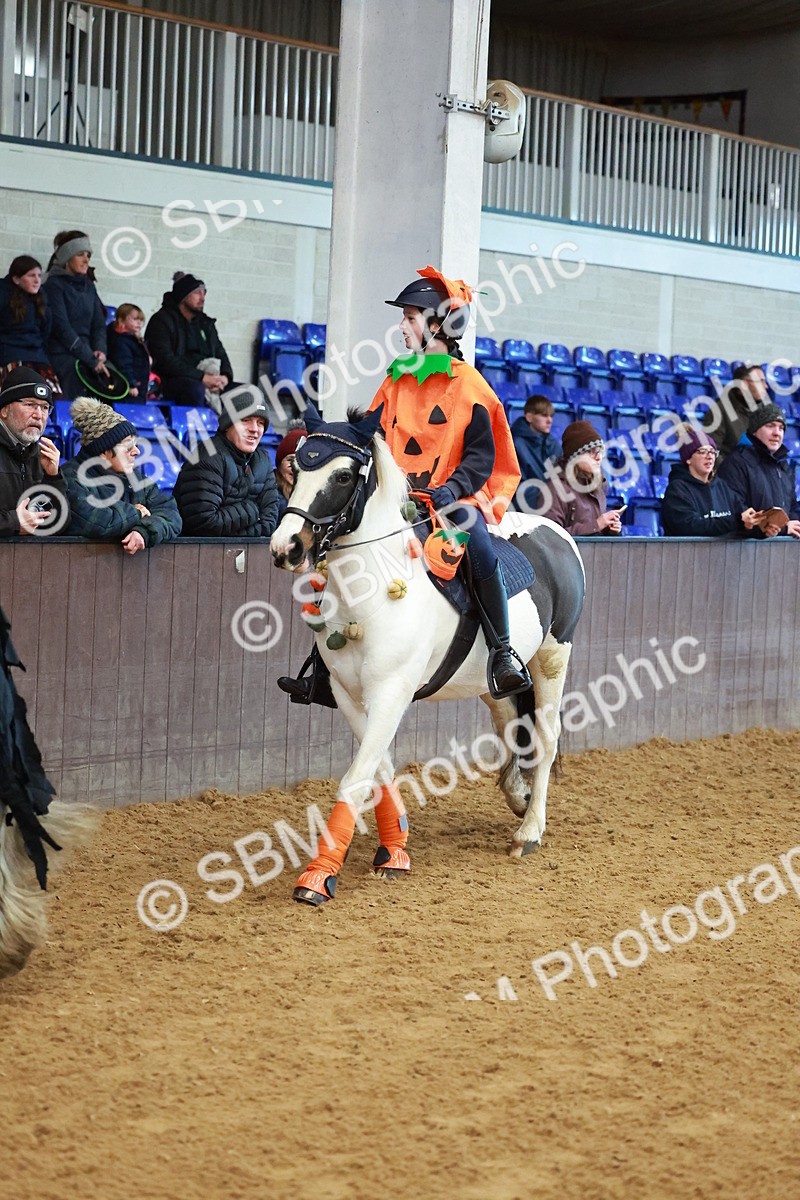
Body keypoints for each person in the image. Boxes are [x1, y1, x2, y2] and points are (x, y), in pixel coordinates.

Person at [61, 397, 181, 552]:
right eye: (128, 447)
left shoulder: (136, 479)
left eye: (136, 445)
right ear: (103, 451)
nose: (137, 452)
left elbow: (171, 514)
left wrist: (143, 531)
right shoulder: (70, 477)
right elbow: (96, 521)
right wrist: (137, 512)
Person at [173, 391, 279, 537]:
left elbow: (269, 523)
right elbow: (204, 523)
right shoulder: (208, 455)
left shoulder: (263, 460)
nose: (254, 429)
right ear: (227, 425)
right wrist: (252, 510)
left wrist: (236, 530)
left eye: (261, 423)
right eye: (246, 420)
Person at [145, 273, 234, 408]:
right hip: (171, 380)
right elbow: (164, 361)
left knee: (248, 393)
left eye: (204, 293)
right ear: (184, 296)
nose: (203, 298)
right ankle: (195, 429)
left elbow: (221, 353)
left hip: (209, 378)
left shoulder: (206, 323)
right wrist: (201, 377)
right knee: (195, 390)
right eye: (197, 293)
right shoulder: (162, 321)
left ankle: (235, 429)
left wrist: (225, 377)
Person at [43, 231, 111, 400]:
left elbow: (98, 324)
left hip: (88, 354)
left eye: (88, 255)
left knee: (114, 379)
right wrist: (90, 359)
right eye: (80, 254)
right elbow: (62, 328)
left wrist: (100, 351)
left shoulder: (89, 286)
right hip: (62, 354)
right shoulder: (53, 286)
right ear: (67, 258)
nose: (86, 259)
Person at [717, 403, 800, 539]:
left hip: (779, 550)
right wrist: (782, 527)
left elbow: (792, 505)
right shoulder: (737, 463)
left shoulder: (783, 465)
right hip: (744, 552)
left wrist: (793, 524)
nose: (776, 433)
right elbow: (734, 510)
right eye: (770, 426)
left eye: (781, 428)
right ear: (755, 430)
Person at [0, 367, 65, 537]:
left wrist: (53, 478)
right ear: (4, 410)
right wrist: (13, 523)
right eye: (30, 405)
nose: (38, 415)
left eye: (45, 408)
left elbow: (60, 526)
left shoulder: (43, 456)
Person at [661, 426, 758, 538]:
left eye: (712, 452)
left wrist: (760, 526)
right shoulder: (677, 490)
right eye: (702, 452)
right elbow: (691, 526)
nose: (709, 457)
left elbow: (743, 515)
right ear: (688, 459)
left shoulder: (722, 486)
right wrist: (738, 521)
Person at [538, 420, 623, 536]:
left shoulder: (598, 489)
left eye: (600, 451)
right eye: (591, 452)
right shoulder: (555, 490)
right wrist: (596, 525)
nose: (598, 458)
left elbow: (594, 536)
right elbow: (548, 538)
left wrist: (608, 530)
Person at [0, 256, 59, 391]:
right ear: (16, 279)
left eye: (39, 275)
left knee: (49, 396)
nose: (37, 280)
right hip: (9, 356)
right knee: (16, 396)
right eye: (31, 276)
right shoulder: (3, 293)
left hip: (38, 357)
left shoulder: (42, 296)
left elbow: (46, 330)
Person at [702, 363, 771, 462]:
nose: (766, 386)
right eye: (760, 382)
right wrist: (734, 473)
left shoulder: (765, 411)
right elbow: (711, 453)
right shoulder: (718, 412)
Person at [510, 394, 561, 512]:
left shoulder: (553, 443)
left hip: (551, 503)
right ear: (529, 417)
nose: (550, 420)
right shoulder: (515, 443)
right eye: (544, 415)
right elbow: (515, 486)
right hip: (523, 507)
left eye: (551, 416)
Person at [106, 304, 152, 398]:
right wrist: (131, 384)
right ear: (121, 320)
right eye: (135, 319)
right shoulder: (121, 341)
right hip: (130, 390)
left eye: (140, 320)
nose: (139, 323)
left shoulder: (133, 339)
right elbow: (124, 365)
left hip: (139, 386)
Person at [273, 426, 305, 518]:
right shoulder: (268, 494)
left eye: (302, 461)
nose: (296, 467)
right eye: (290, 460)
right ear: (279, 464)